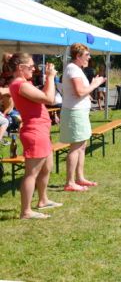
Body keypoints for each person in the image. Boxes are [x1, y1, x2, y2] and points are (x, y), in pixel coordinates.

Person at [8, 54, 62, 218]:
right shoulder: (20, 85)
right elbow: (49, 98)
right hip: (34, 131)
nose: (34, 69)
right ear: (20, 68)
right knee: (31, 173)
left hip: (41, 131)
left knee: (46, 168)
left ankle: (43, 200)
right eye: (30, 66)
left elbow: (44, 97)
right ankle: (26, 211)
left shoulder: (24, 83)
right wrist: (51, 78)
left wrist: (48, 80)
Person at [61, 43, 106, 192]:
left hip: (80, 111)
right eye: (87, 55)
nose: (89, 57)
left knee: (82, 146)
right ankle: (70, 182)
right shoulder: (73, 69)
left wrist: (93, 84)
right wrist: (95, 84)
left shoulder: (77, 69)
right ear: (78, 56)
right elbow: (80, 92)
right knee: (75, 147)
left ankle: (79, 178)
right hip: (75, 112)